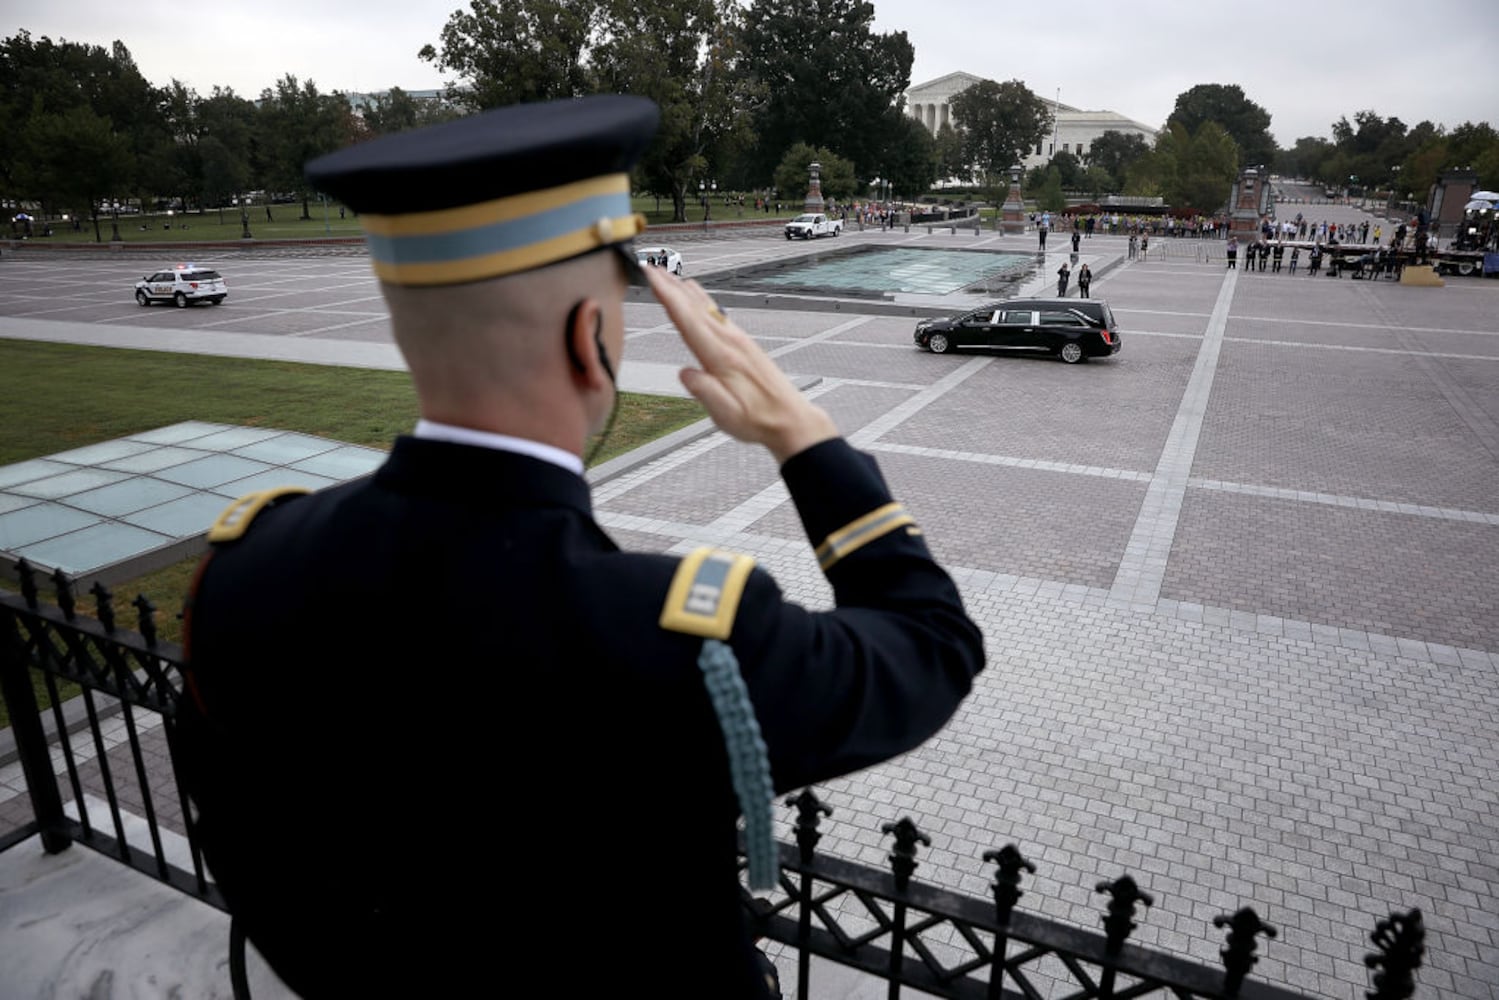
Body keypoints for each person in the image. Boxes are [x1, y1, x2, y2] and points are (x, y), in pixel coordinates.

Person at [174, 94, 985, 1000]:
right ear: (587, 337)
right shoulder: (680, 642)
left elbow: (241, 848)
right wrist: (809, 440)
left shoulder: (243, 569)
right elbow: (932, 643)